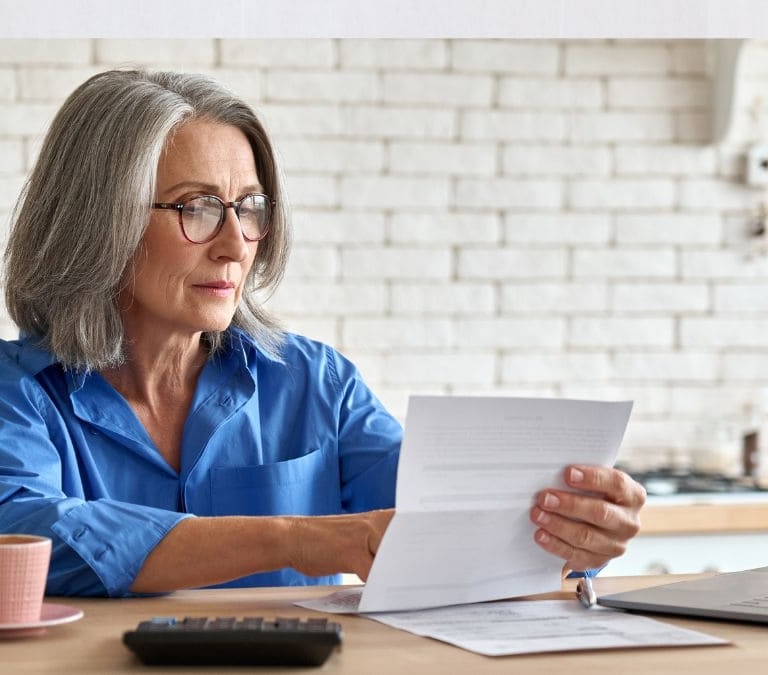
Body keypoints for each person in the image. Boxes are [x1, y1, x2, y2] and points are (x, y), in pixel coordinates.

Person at [0, 69, 645, 598]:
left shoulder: (317, 383)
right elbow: (27, 537)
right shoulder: (18, 393)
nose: (236, 245)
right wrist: (308, 538)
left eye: (249, 208)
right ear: (97, 222)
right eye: (195, 208)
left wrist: (571, 531)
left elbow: (443, 525)